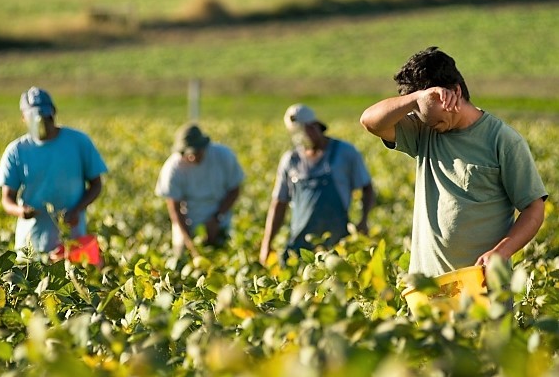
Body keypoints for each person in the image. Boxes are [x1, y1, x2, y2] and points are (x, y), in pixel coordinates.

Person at [359, 46, 548, 277]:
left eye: (424, 107)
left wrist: (502, 252)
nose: (419, 116)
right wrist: (417, 98)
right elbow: (370, 121)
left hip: (481, 284)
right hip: (428, 286)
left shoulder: (502, 140)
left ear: (454, 93)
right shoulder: (424, 131)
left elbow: (534, 207)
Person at [0, 86, 108, 260]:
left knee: (71, 283)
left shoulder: (78, 142)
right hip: (31, 244)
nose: (42, 123)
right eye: (35, 118)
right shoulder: (17, 151)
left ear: (53, 113)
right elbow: (7, 199)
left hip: (72, 241)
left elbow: (96, 184)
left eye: (46, 117)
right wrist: (21, 211)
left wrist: (76, 209)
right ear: (24, 118)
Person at [260, 104, 375, 265]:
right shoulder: (291, 160)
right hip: (300, 246)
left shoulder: (345, 152)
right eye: (296, 134)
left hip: (337, 243)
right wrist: (267, 244)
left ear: (315, 126)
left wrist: (364, 220)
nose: (300, 139)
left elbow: (367, 188)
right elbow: (279, 203)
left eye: (303, 132)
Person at [155, 123, 245, 258]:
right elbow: (175, 209)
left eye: (196, 152)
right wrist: (190, 243)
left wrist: (217, 218)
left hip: (220, 222)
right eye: (188, 154)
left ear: (204, 146)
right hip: (187, 226)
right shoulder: (173, 168)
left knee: (222, 260)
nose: (193, 157)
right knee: (182, 262)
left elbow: (235, 189)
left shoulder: (223, 156)